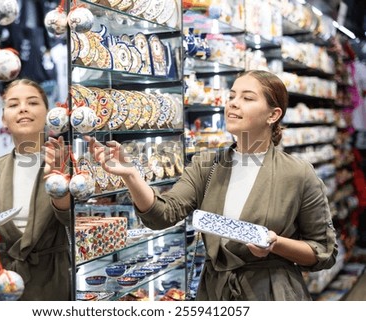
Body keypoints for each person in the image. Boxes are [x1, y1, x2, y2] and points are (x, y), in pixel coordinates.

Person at [86, 70, 338, 300]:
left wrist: (276, 244)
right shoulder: (207, 165)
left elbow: (323, 251)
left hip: (272, 293)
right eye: (231, 96)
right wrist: (131, 175)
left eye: (247, 98)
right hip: (215, 293)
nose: (233, 103)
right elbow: (162, 215)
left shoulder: (297, 173)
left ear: (273, 115)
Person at [0, 78, 72, 300]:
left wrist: (59, 181)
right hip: (4, 283)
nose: (23, 109)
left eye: (32, 102)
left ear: (48, 112)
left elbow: (72, 220)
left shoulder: (68, 164)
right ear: (4, 118)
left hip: (53, 282)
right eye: (13, 104)